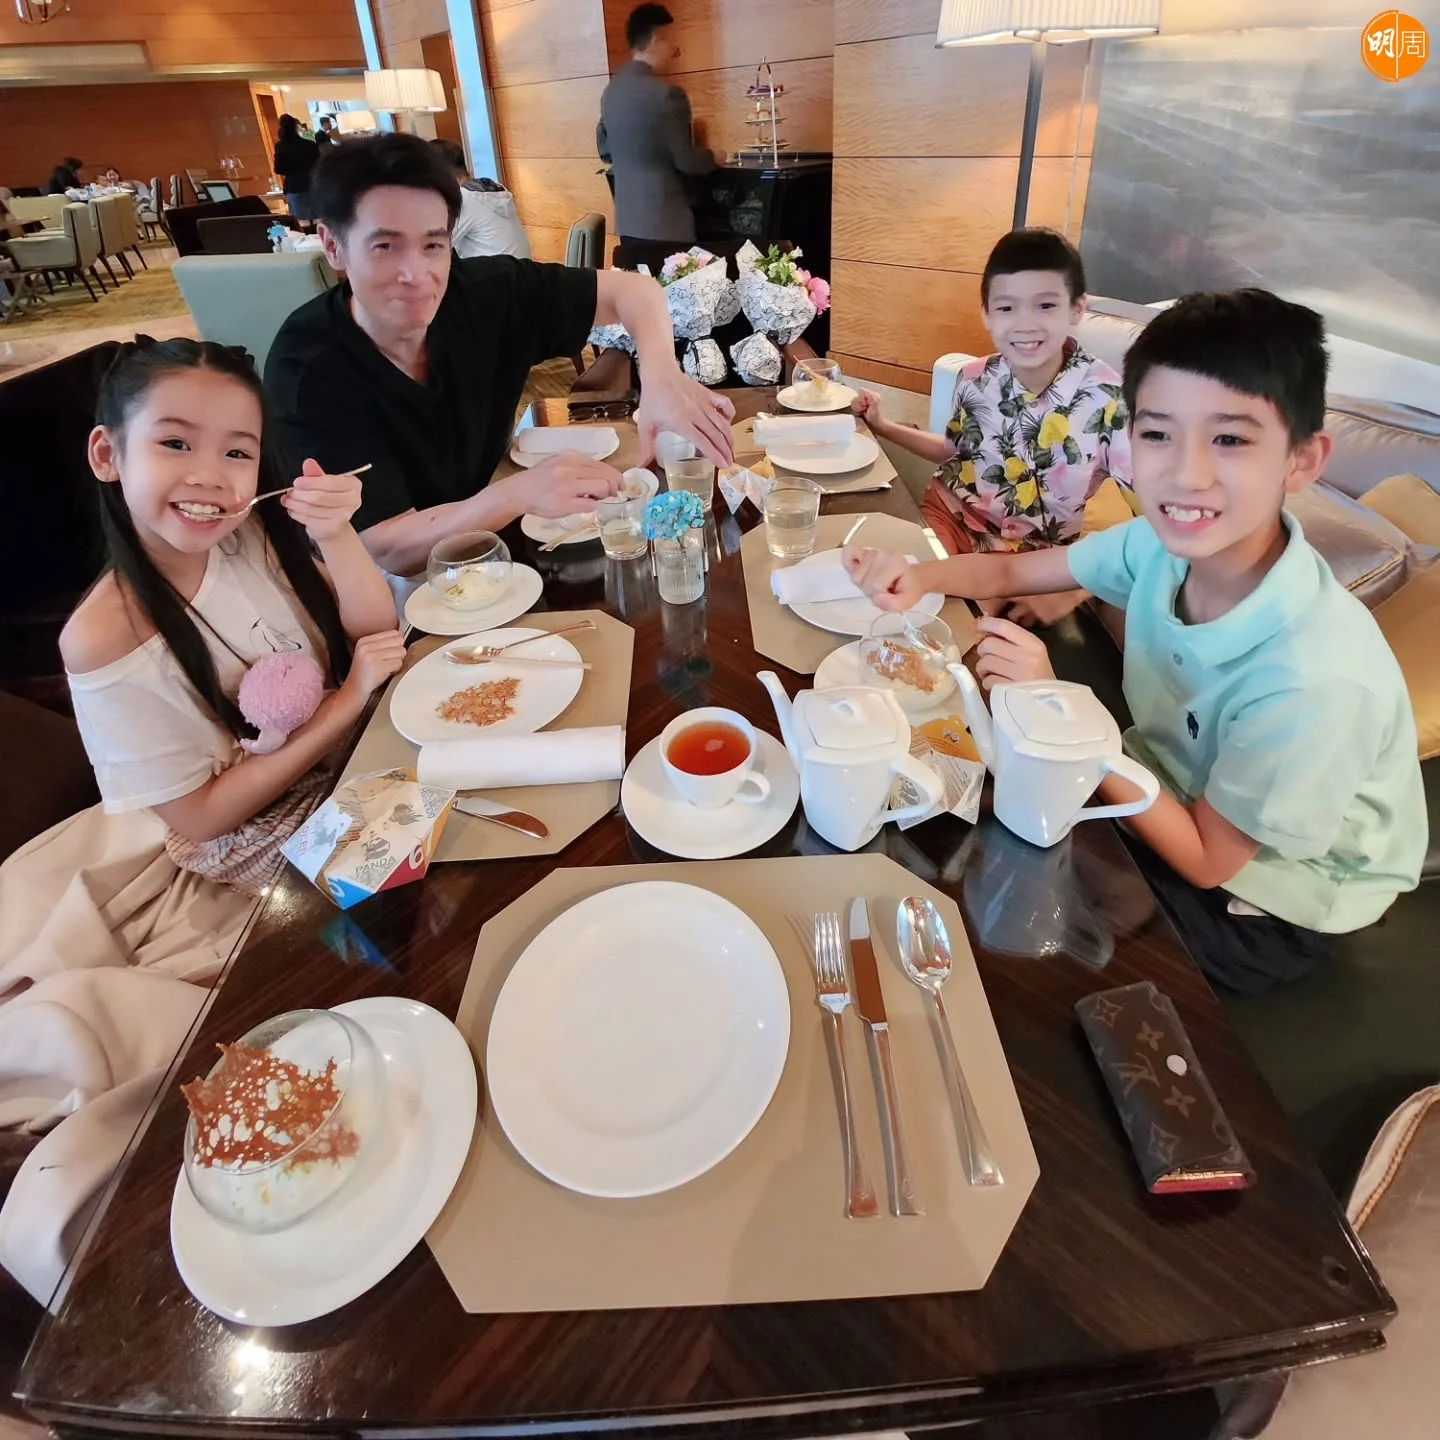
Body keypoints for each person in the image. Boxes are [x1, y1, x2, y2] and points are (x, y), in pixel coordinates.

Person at [847, 290, 1426, 993]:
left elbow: (1209, 860)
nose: (1186, 473)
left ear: (1301, 460)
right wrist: (915, 576)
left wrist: (1062, 714)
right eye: (1157, 434)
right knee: (953, 797)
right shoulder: (1160, 545)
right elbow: (1013, 570)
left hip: (1271, 895)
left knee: (1030, 942)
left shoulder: (1315, 680)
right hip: (1163, 782)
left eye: (1230, 440)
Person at [0, 338, 406, 1300]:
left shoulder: (248, 537)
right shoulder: (102, 635)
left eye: (238, 451)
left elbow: (371, 634)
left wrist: (341, 536)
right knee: (396, 925)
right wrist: (346, 705)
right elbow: (202, 810)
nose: (212, 478)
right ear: (108, 454)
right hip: (243, 842)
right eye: (176, 443)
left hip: (343, 765)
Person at [264, 133, 735, 580]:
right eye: (385, 246)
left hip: (488, 540)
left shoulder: (486, 295)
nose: (417, 273)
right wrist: (518, 494)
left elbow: (634, 290)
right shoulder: (309, 367)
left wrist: (660, 378)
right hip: (373, 587)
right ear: (333, 246)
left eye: (433, 245)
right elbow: (389, 549)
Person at [855, 228, 1132, 627]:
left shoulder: (1110, 401)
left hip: (1029, 558)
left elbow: (1155, 525)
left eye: (1045, 306)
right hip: (949, 515)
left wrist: (1073, 588)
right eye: (1006, 308)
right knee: (883, 605)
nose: (1025, 324)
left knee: (954, 633)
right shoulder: (975, 377)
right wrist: (882, 426)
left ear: (1076, 309)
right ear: (986, 313)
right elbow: (952, 451)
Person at [597, 3, 715, 247]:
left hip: (628, 224)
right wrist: (715, 156)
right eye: (670, 41)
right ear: (656, 39)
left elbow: (605, 152)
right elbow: (687, 162)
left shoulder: (610, 92)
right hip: (666, 224)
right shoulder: (668, 95)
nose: (674, 50)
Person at [429, 138, 532, 260]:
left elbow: (434, 247)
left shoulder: (464, 200)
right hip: (520, 269)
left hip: (498, 271)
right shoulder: (490, 191)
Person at [273, 114, 321, 223]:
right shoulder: (310, 144)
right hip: (313, 185)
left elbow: (278, 169)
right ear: (296, 126)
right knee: (319, 219)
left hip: (294, 186)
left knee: (301, 222)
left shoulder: (281, 146)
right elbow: (320, 165)